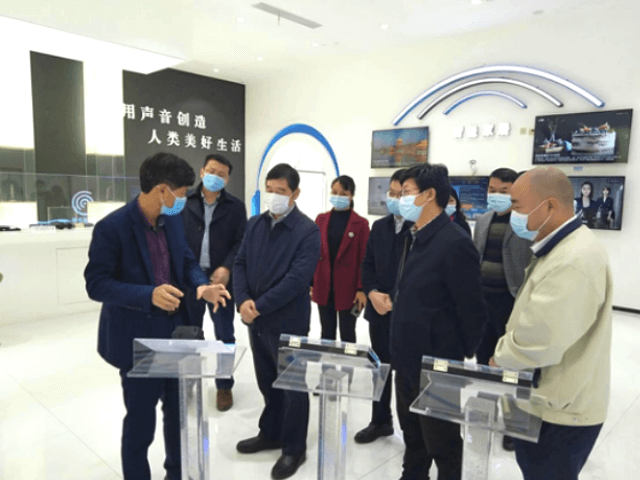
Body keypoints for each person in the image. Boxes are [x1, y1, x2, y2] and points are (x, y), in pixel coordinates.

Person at [84, 152, 231, 480]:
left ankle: (175, 474)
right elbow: (96, 284)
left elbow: (187, 260)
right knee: (140, 423)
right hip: (137, 340)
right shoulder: (113, 228)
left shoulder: (172, 220)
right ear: (162, 190)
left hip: (176, 333)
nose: (184, 199)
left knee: (178, 416)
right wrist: (147, 294)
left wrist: (202, 286)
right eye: (181, 192)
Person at [491, 166, 613, 480]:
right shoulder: (562, 247)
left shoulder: (573, 259)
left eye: (517, 205)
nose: (513, 213)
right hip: (548, 399)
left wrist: (500, 357)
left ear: (548, 207)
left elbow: (540, 340)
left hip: (559, 411)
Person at [392, 163, 488, 480]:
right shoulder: (413, 236)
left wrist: (455, 356)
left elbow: (472, 308)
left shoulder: (454, 242)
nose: (401, 200)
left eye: (406, 192)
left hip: (436, 363)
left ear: (429, 194)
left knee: (442, 441)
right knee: (412, 434)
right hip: (406, 358)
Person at [233, 163, 321, 480]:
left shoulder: (307, 231)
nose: (274, 196)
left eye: (281, 191)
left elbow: (297, 280)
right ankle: (270, 432)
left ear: (295, 193)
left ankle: (294, 448)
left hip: (288, 322)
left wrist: (258, 306)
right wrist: (243, 300)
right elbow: (240, 263)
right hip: (256, 322)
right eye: (269, 189)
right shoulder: (255, 224)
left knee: (293, 386)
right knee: (267, 381)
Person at [472, 168, 532, 451]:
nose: (496, 195)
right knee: (484, 358)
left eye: (503, 191)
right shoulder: (483, 220)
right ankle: (486, 410)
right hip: (483, 301)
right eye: (492, 190)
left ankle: (513, 422)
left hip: (511, 301)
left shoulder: (524, 222)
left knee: (511, 362)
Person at [181, 153, 247, 412]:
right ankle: (188, 382)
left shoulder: (236, 207)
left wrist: (226, 267)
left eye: (221, 174)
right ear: (201, 172)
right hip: (190, 281)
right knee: (189, 333)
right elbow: (176, 240)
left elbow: (241, 242)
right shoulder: (184, 201)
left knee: (225, 334)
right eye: (211, 171)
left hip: (221, 282)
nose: (215, 177)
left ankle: (224, 385)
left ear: (227, 179)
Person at [354, 168, 413, 444]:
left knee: (407, 375)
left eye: (402, 194)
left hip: (407, 316)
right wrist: (372, 292)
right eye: (392, 193)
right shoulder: (379, 227)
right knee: (380, 369)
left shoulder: (420, 230)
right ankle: (380, 421)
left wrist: (396, 300)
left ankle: (412, 432)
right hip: (378, 312)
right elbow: (367, 265)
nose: (395, 199)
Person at [312, 175, 369, 343]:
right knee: (326, 332)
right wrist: (310, 283)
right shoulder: (321, 220)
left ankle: (347, 362)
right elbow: (314, 253)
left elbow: (364, 259)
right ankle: (326, 361)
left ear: (351, 195)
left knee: (348, 333)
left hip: (349, 288)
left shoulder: (361, 224)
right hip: (324, 284)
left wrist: (361, 289)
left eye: (343, 194)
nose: (338, 197)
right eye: (334, 192)